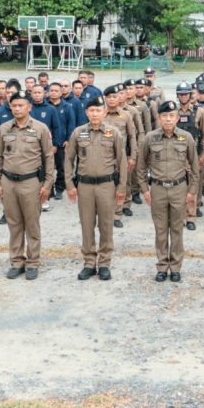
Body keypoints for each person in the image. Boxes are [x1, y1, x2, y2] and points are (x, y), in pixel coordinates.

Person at [65, 95, 128, 281]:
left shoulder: (113, 132)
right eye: (91, 110)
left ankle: (104, 263)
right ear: (86, 112)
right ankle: (89, 263)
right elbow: (68, 159)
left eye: (98, 110)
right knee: (87, 225)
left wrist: (122, 188)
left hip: (106, 185)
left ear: (104, 112)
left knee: (106, 225)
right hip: (84, 185)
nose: (94, 114)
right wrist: (69, 184)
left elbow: (122, 161)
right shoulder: (78, 133)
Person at [137, 100, 200, 282]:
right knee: (161, 229)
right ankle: (162, 266)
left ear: (177, 118)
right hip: (157, 188)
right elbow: (141, 167)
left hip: (179, 189)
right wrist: (145, 190)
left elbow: (195, 168)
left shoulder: (186, 137)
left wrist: (192, 191)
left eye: (172, 116)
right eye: (164, 116)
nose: (168, 119)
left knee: (177, 230)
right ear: (159, 117)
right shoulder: (150, 138)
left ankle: (176, 267)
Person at [0, 91, 55, 281]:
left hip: (31, 182)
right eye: (14, 106)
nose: (17, 109)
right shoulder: (4, 128)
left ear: (29, 107)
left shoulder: (40, 128)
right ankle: (17, 262)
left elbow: (48, 157)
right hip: (8, 182)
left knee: (32, 224)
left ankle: (33, 262)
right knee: (14, 224)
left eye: (21, 105)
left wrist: (47, 184)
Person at [174, 82, 204, 230]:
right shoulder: (174, 112)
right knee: (178, 189)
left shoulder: (200, 112)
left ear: (190, 95)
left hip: (194, 155)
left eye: (186, 94)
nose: (183, 96)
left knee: (193, 187)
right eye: (181, 94)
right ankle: (179, 217)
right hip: (177, 156)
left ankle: (191, 217)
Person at [102, 84, 138, 226]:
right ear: (105, 99)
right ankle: (107, 212)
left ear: (119, 98)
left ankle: (118, 213)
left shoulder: (126, 115)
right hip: (104, 155)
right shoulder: (100, 114)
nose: (111, 100)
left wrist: (133, 156)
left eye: (114, 97)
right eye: (109, 97)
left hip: (122, 155)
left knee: (122, 183)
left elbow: (132, 136)